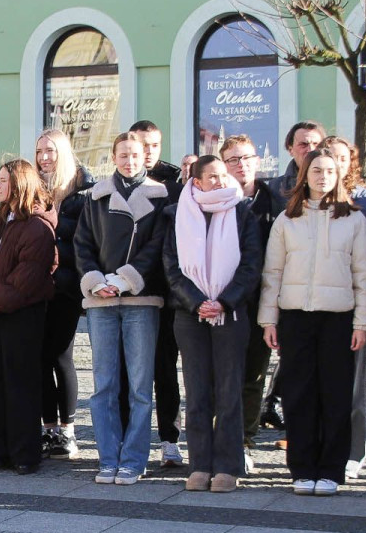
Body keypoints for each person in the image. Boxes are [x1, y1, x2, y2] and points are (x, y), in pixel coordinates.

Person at [259, 148, 366, 496]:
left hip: (338, 318)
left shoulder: (353, 219)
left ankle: (331, 469)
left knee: (336, 395)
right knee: (299, 394)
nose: (322, 176)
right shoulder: (287, 220)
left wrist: (362, 322)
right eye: (315, 170)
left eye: (328, 170)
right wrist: (268, 320)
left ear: (338, 175)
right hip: (295, 317)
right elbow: (272, 274)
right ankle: (302, 468)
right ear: (303, 176)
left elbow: (364, 276)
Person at [75, 132, 170, 486]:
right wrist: (96, 280)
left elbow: (157, 247)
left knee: (140, 387)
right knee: (104, 385)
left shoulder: (160, 196)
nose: (129, 160)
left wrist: (124, 279)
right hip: (101, 299)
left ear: (145, 156)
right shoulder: (96, 197)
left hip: (139, 299)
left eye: (135, 154)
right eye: (123, 154)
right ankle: (108, 457)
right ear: (113, 156)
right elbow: (82, 243)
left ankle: (133, 459)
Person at [164, 155, 263, 492]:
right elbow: (171, 267)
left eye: (224, 176)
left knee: (229, 391)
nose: (221, 182)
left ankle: (228, 466)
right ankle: (200, 465)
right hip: (190, 315)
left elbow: (251, 264)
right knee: (197, 392)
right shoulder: (178, 214)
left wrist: (224, 301)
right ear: (196, 181)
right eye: (213, 177)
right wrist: (198, 303)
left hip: (231, 314)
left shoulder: (241, 212)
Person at [0, 159, 57, 474]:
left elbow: (26, 279)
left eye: (3, 180)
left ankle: (24, 453)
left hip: (22, 316)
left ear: (19, 184)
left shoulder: (38, 226)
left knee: (21, 383)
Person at [220, 134, 284, 474]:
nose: (240, 165)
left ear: (258, 161)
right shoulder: (214, 200)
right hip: (222, 300)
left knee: (252, 375)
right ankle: (220, 439)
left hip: (260, 301)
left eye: (246, 158)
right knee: (220, 376)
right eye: (233, 159)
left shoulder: (275, 201)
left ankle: (244, 440)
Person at [260, 121, 327, 436]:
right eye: (303, 143)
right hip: (286, 286)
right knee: (292, 355)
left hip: (324, 288)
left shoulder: (331, 187)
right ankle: (278, 408)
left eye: (315, 143)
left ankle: (279, 405)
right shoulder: (275, 189)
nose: (309, 149)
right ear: (290, 148)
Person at [327, 135, 366, 480]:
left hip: (354, 302)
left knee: (355, 384)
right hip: (319, 304)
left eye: (341, 158)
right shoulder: (307, 202)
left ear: (350, 162)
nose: (335, 164)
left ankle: (354, 450)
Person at [34, 128, 92, 459]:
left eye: (51, 150)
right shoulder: (34, 190)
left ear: (63, 153)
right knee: (40, 357)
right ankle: (48, 428)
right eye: (40, 150)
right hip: (37, 287)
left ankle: (68, 430)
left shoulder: (82, 191)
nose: (44, 157)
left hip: (68, 287)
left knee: (61, 355)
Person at [131, 120, 185, 467]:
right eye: (141, 145)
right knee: (130, 373)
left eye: (153, 145)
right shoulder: (120, 181)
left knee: (165, 369)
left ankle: (170, 439)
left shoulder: (177, 182)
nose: (147, 152)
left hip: (167, 291)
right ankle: (129, 439)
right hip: (132, 290)